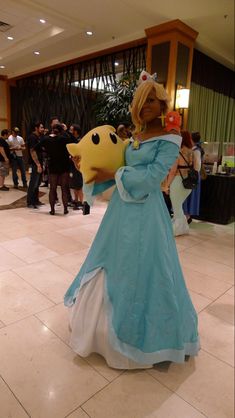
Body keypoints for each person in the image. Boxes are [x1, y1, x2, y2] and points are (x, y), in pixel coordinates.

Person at [64, 72, 199, 369]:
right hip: (120, 213)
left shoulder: (171, 138)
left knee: (145, 265)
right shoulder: (133, 138)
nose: (147, 105)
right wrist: (88, 165)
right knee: (110, 259)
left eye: (153, 100)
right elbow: (114, 170)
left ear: (162, 105)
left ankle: (147, 337)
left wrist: (116, 175)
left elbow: (152, 178)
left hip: (147, 214)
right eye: (142, 100)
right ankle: (100, 329)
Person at [35, 124, 75, 215]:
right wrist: (66, 131)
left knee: (52, 189)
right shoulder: (64, 139)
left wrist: (46, 150)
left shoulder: (46, 139)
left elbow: (36, 148)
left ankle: (52, 210)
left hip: (53, 165)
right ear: (61, 130)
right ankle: (65, 209)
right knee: (64, 188)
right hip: (64, 166)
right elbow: (74, 141)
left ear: (52, 130)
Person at [167, 131, 194, 236]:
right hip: (188, 183)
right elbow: (196, 167)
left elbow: (173, 171)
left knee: (176, 206)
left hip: (177, 182)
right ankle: (183, 228)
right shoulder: (191, 152)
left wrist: (167, 184)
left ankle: (177, 230)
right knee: (179, 206)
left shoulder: (177, 153)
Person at [183, 131, 203, 223]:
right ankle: (186, 215)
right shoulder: (195, 149)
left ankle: (187, 216)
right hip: (193, 174)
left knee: (189, 196)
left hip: (192, 175)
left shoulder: (196, 150)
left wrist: (192, 173)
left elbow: (197, 166)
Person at [26, 122, 45, 208]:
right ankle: (30, 202)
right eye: (41, 127)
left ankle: (36, 200)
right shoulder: (32, 137)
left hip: (40, 163)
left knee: (37, 183)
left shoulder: (39, 137)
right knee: (33, 183)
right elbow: (32, 151)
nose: (43, 129)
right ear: (36, 128)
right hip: (35, 164)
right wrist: (38, 164)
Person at [69, 124, 84, 210]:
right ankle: (76, 200)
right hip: (73, 164)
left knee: (79, 184)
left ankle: (81, 202)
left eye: (71, 130)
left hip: (78, 164)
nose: (70, 131)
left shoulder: (80, 140)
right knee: (74, 183)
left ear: (75, 131)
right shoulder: (73, 140)